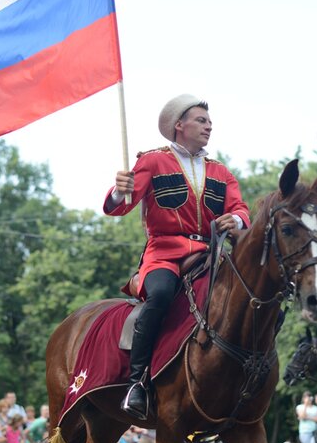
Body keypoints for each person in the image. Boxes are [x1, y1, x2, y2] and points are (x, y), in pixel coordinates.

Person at [103, 94, 251, 420]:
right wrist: (118, 190)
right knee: (159, 295)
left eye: (209, 121)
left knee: (247, 294)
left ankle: (248, 374)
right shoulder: (153, 161)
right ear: (178, 125)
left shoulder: (221, 172)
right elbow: (122, 205)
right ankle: (137, 382)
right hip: (164, 255)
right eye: (201, 120)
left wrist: (237, 220)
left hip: (210, 254)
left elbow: (240, 208)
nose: (208, 125)